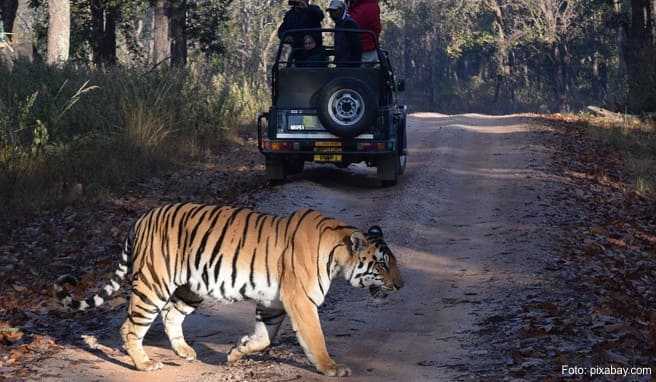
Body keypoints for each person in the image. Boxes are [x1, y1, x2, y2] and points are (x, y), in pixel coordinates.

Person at [326, 0, 362, 67]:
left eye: (335, 11)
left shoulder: (349, 24)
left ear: (341, 10)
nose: (332, 14)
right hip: (341, 63)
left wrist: (354, 66)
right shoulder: (338, 23)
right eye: (331, 11)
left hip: (349, 65)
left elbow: (356, 47)